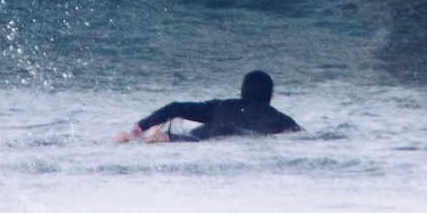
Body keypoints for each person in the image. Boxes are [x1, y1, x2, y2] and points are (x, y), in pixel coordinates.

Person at [112, 70, 301, 143]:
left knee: (189, 137)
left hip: (202, 134)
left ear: (242, 91)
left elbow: (176, 107)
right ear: (270, 96)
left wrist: (141, 124)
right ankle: (165, 138)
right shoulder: (281, 120)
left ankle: (132, 136)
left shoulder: (219, 107)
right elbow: (303, 137)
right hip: (226, 136)